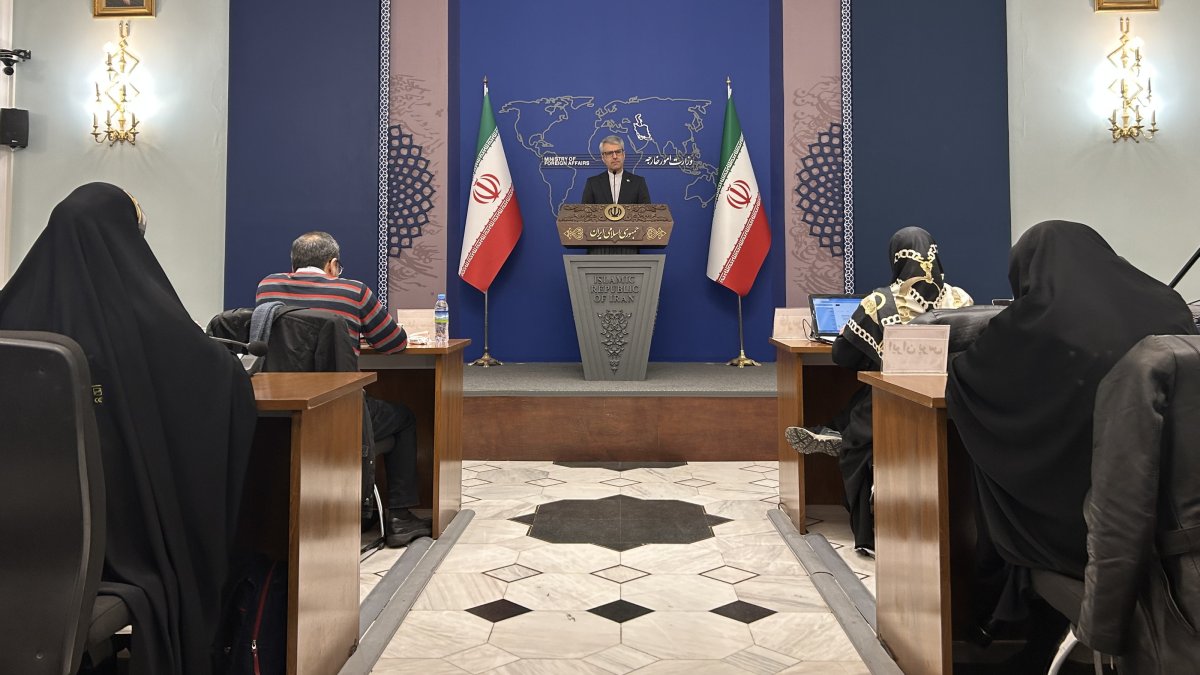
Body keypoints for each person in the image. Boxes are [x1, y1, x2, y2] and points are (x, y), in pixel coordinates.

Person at [0, 182, 258, 674]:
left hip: (17, 534)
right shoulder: (149, 323)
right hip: (119, 538)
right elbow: (216, 382)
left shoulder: (10, 314)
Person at [945, 220, 1197, 627]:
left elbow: (970, 382)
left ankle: (999, 609)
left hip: (1086, 528)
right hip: (1173, 515)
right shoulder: (1169, 304)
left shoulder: (1035, 319)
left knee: (992, 470)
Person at [787, 226, 973, 555]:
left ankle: (867, 528)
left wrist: (848, 333)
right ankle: (835, 427)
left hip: (892, 406)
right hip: (953, 404)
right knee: (865, 402)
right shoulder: (961, 299)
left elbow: (843, 356)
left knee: (863, 422)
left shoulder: (880, 302)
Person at [255, 231, 430, 547]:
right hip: (339, 411)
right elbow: (393, 343)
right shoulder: (353, 291)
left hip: (283, 411)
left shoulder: (267, 287)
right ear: (333, 264)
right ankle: (400, 517)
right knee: (404, 417)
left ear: (293, 265)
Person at [581, 135, 652, 204]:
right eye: (609, 153)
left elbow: (646, 213)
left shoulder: (638, 182)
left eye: (618, 152)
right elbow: (584, 213)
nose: (614, 156)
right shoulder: (593, 184)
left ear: (624, 155)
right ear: (603, 158)